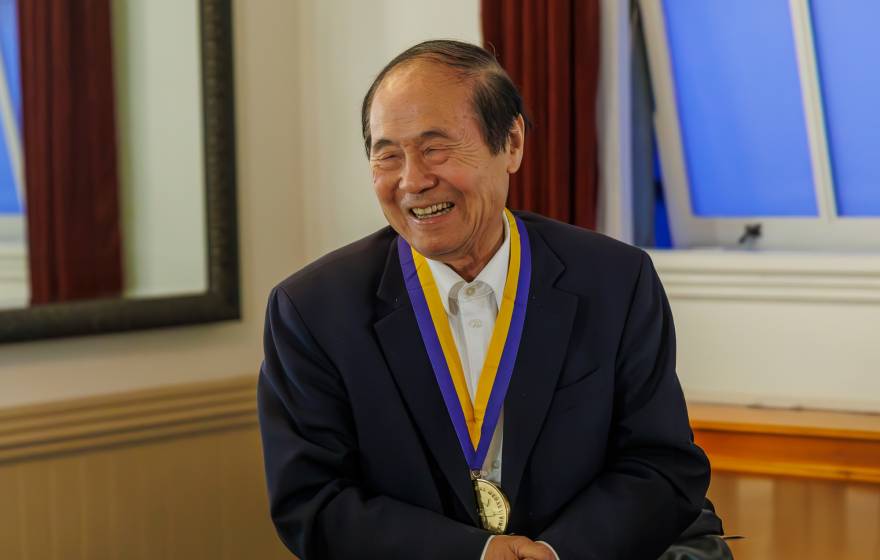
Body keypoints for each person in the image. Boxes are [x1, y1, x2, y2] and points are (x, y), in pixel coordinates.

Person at [258, 40, 715, 560]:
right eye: (387, 155)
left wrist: (557, 553)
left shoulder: (614, 279)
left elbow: (661, 464)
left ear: (512, 143)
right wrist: (474, 555)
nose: (413, 180)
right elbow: (312, 503)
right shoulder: (312, 309)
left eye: (436, 148)